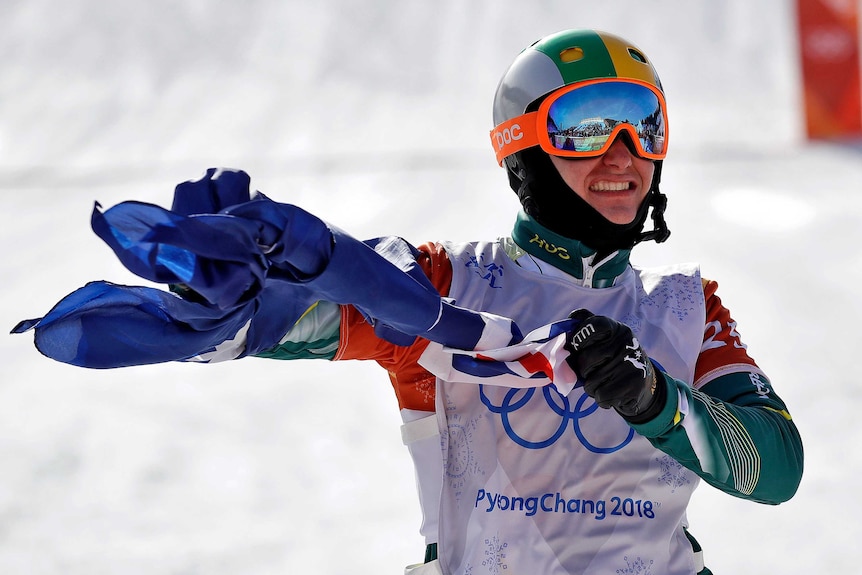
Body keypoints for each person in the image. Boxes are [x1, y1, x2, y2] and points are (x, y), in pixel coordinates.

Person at [13, 29, 803, 575]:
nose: (623, 156)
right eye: (584, 129)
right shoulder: (446, 287)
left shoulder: (686, 307)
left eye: (644, 126)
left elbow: (775, 468)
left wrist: (654, 396)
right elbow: (312, 312)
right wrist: (229, 302)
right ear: (521, 147)